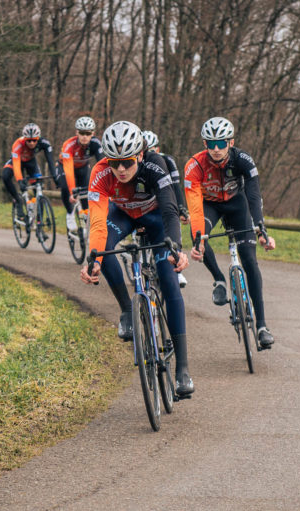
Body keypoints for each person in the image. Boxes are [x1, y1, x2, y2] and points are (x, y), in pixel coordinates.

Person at [80, 120, 194, 395]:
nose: (120, 169)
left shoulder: (156, 165)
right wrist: (92, 261)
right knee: (103, 251)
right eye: (114, 162)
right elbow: (96, 223)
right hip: (123, 217)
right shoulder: (100, 172)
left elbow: (169, 211)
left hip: (156, 219)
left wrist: (176, 247)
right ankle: (127, 312)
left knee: (168, 278)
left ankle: (183, 368)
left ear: (140, 155)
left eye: (127, 162)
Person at [184, 116, 277, 348]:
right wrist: (198, 239)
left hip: (238, 205)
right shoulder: (194, 165)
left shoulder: (244, 160)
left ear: (231, 142)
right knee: (198, 235)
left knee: (249, 261)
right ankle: (218, 280)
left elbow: (254, 196)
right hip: (210, 206)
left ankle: (262, 326)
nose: (217, 149)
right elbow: (194, 206)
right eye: (211, 144)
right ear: (205, 144)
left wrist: (261, 228)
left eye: (222, 143)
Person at [143, 130, 189, 288]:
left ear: (158, 149)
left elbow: (176, 186)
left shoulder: (168, 160)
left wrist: (181, 208)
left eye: (152, 150)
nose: (149, 154)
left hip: (163, 197)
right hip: (143, 200)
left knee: (173, 216)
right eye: (146, 150)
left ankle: (178, 268)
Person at [53, 116, 104, 232]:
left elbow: (102, 165)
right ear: (77, 133)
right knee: (65, 187)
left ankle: (84, 222)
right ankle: (70, 214)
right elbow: (69, 170)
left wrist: (105, 187)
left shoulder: (96, 144)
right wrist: (72, 192)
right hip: (64, 167)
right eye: (82, 133)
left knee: (87, 194)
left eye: (88, 133)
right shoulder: (69, 145)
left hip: (82, 168)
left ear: (93, 133)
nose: (85, 136)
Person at [0, 123, 53, 219]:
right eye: (29, 140)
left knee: (38, 189)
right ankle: (18, 199)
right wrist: (20, 180)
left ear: (38, 138)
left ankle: (39, 223)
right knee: (5, 176)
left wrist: (54, 175)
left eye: (34, 140)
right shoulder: (18, 144)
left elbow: (50, 160)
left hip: (30, 163)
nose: (32, 143)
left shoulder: (43, 142)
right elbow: (16, 165)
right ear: (25, 139)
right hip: (16, 162)